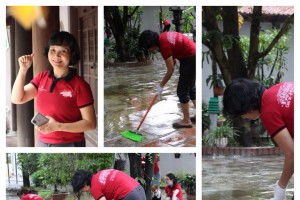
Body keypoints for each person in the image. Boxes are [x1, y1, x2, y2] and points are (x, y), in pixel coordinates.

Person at [11, 31, 96, 147]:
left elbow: (90, 124)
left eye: (63, 51)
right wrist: (23, 70)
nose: (56, 56)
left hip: (70, 144)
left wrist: (58, 126)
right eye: (53, 50)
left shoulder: (80, 85)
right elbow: (17, 99)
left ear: (72, 54)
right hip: (43, 142)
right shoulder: (42, 77)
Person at [222, 78, 294, 200]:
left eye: (241, 114)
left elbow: (292, 155)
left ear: (247, 107)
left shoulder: (268, 112)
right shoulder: (278, 88)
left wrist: (280, 189)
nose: (243, 117)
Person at [138, 30, 196, 128]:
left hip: (190, 57)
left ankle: (187, 120)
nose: (148, 50)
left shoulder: (163, 45)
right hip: (192, 54)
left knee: (182, 91)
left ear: (151, 44)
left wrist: (161, 86)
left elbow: (170, 70)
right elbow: (172, 56)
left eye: (147, 48)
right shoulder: (163, 37)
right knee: (190, 88)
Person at [71, 169, 146, 200]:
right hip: (139, 189)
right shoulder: (100, 173)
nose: (83, 191)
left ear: (84, 183)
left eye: (81, 188)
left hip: (129, 196)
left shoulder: (94, 187)